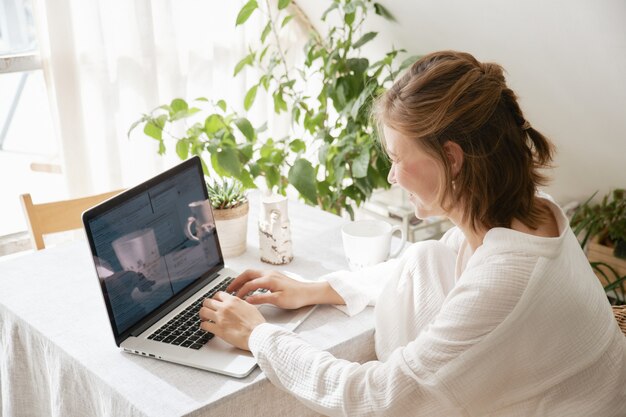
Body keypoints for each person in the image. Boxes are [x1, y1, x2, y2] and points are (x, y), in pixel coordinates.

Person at [198, 51, 626, 416]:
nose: (392, 175)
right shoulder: (524, 212)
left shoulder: (509, 279)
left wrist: (260, 335)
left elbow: (376, 397)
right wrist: (317, 289)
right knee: (422, 260)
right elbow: (431, 262)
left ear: (452, 160)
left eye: (398, 158)